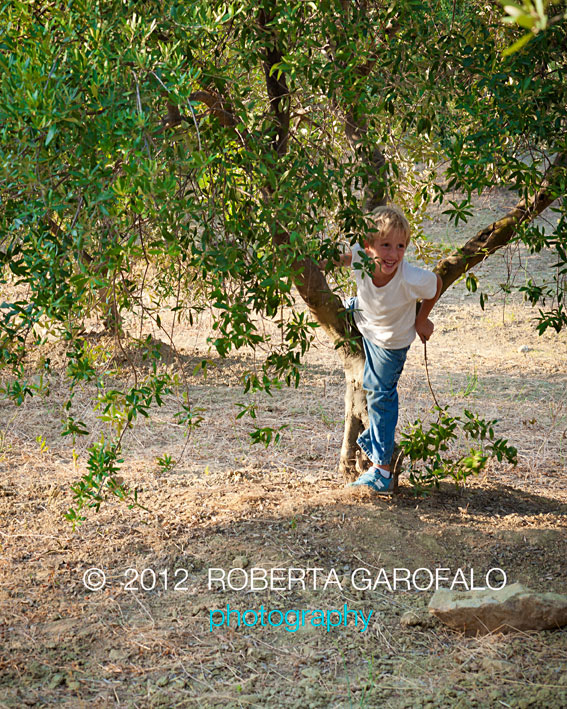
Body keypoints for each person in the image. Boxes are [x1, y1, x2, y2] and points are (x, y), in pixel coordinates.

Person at [330, 205, 442, 494]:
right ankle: (373, 451)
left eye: (401, 246)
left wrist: (421, 319)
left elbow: (436, 284)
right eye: (386, 245)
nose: (393, 254)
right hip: (364, 319)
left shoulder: (409, 276)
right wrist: (319, 263)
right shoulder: (360, 258)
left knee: (380, 394)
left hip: (390, 341)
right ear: (368, 246)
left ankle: (381, 469)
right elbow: (346, 259)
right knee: (367, 383)